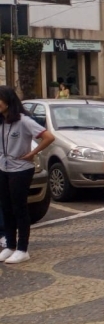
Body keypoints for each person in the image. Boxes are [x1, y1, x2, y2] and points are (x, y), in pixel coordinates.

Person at [0, 86, 54, 264]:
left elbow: (48, 137)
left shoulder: (23, 121)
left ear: (8, 100)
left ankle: (23, 249)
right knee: (6, 208)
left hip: (21, 169)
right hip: (4, 168)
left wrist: (33, 153)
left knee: (19, 208)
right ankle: (10, 246)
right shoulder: (1, 121)